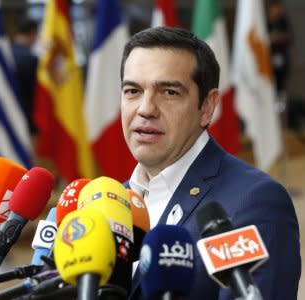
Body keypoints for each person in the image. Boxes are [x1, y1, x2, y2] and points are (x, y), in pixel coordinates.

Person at [120, 27, 300, 299]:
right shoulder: (111, 204)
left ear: (207, 106)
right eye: (133, 90)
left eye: (169, 92)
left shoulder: (255, 202)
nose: (145, 108)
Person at [12, 16, 39, 134]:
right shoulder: (32, 59)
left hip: (6, 116)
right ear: (33, 33)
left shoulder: (2, 56)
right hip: (28, 117)